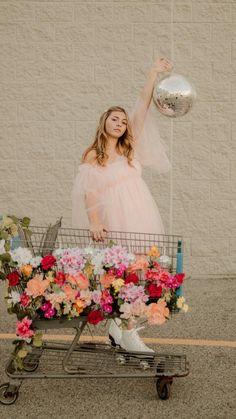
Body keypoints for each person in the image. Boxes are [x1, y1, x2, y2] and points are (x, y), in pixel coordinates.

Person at [72, 57, 173, 353]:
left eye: (123, 120)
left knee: (139, 272)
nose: (120, 123)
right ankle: (126, 332)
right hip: (117, 218)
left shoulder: (131, 148)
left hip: (141, 215)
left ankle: (122, 329)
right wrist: (94, 221)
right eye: (114, 119)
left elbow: (142, 105)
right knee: (121, 274)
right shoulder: (94, 155)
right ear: (104, 122)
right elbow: (90, 192)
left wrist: (152, 72)